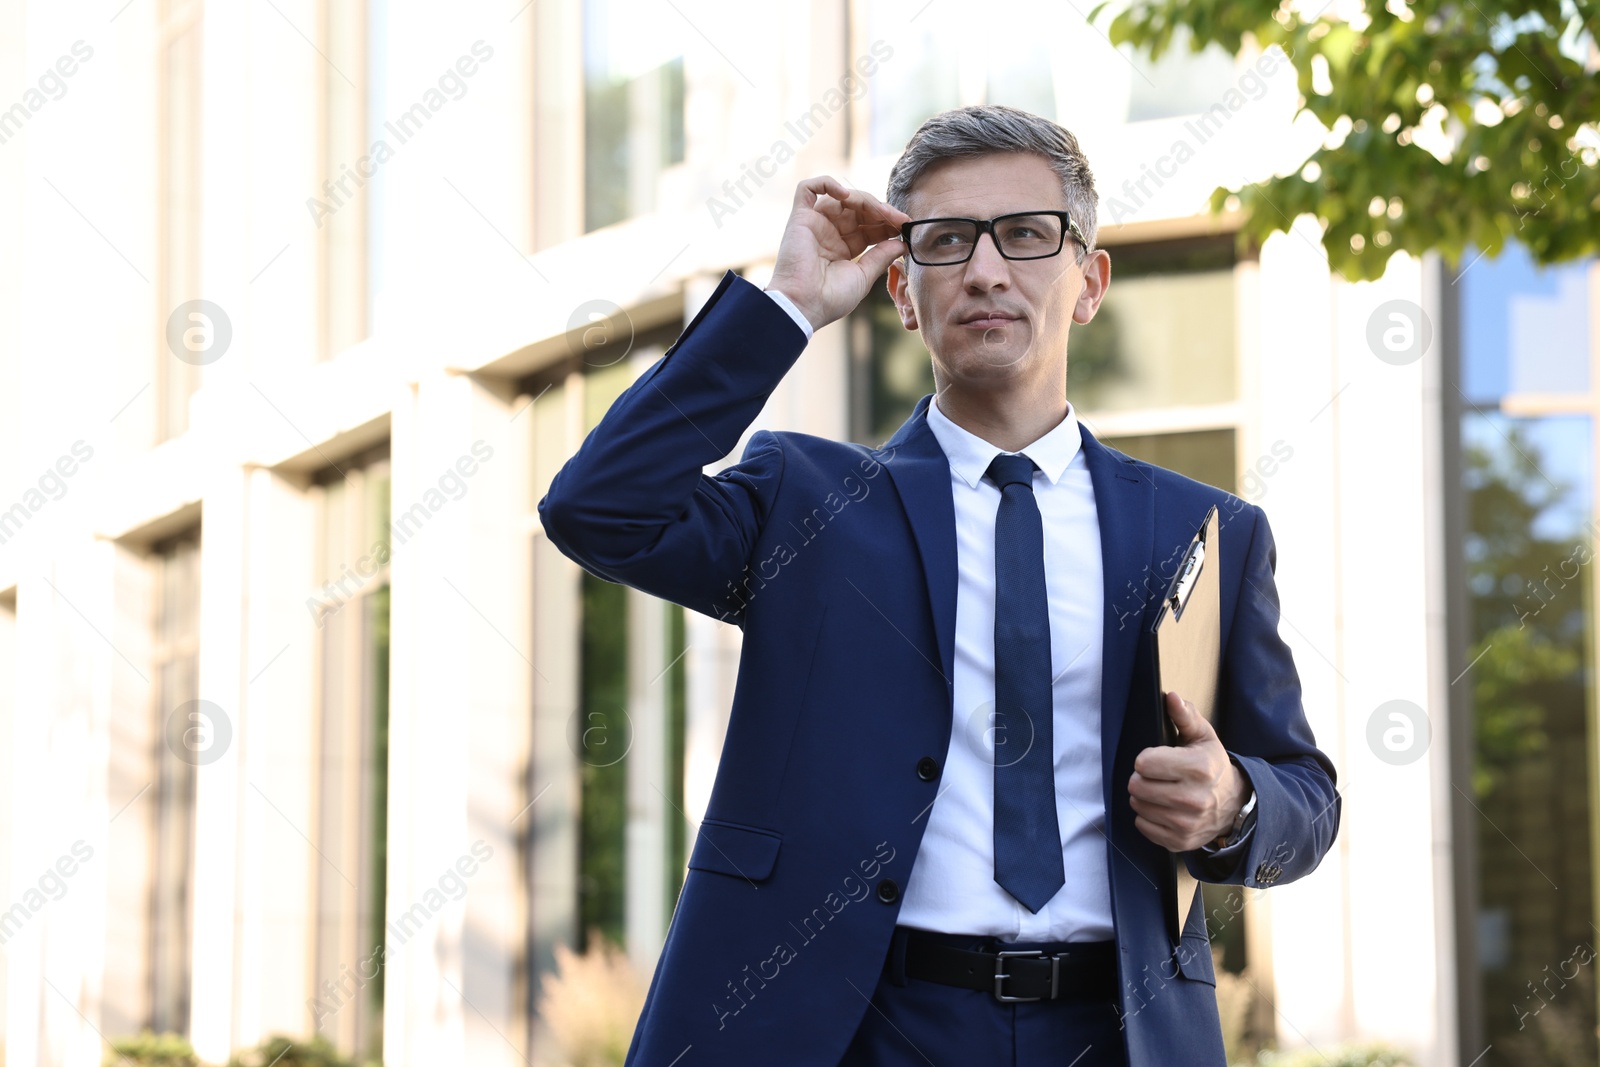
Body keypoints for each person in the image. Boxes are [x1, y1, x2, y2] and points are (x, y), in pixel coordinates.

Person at [538, 104, 1340, 1066]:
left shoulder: (1207, 533)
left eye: (1028, 237)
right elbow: (598, 506)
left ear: (1089, 282)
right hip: (857, 1030)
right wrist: (787, 304)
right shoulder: (808, 503)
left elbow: (1308, 798)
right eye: (946, 241)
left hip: (1115, 1034)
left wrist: (1233, 804)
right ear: (902, 293)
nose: (987, 270)